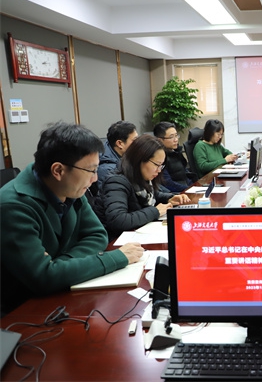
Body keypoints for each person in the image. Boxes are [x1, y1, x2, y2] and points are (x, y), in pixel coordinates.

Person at [0, 122, 144, 315]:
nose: (94, 179)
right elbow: (43, 278)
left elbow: (97, 235)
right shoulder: (13, 205)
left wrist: (59, 265)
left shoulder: (69, 188)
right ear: (58, 171)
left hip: (64, 294)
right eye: (91, 171)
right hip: (23, 311)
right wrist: (115, 258)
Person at [96, 134, 191, 239]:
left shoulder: (140, 176)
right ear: (139, 159)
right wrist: (155, 211)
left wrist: (169, 198)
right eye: (156, 165)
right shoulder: (116, 181)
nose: (159, 171)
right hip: (117, 242)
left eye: (161, 166)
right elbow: (118, 220)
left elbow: (150, 194)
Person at [153, 121, 197, 192]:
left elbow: (185, 174)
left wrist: (194, 187)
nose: (176, 139)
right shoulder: (160, 158)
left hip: (186, 189)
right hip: (176, 194)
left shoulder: (176, 152)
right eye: (171, 137)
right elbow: (168, 183)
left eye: (176, 135)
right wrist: (189, 189)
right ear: (160, 140)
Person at [96, 121, 138, 193]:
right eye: (134, 140)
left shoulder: (127, 155)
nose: (138, 143)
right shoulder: (107, 170)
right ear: (120, 143)